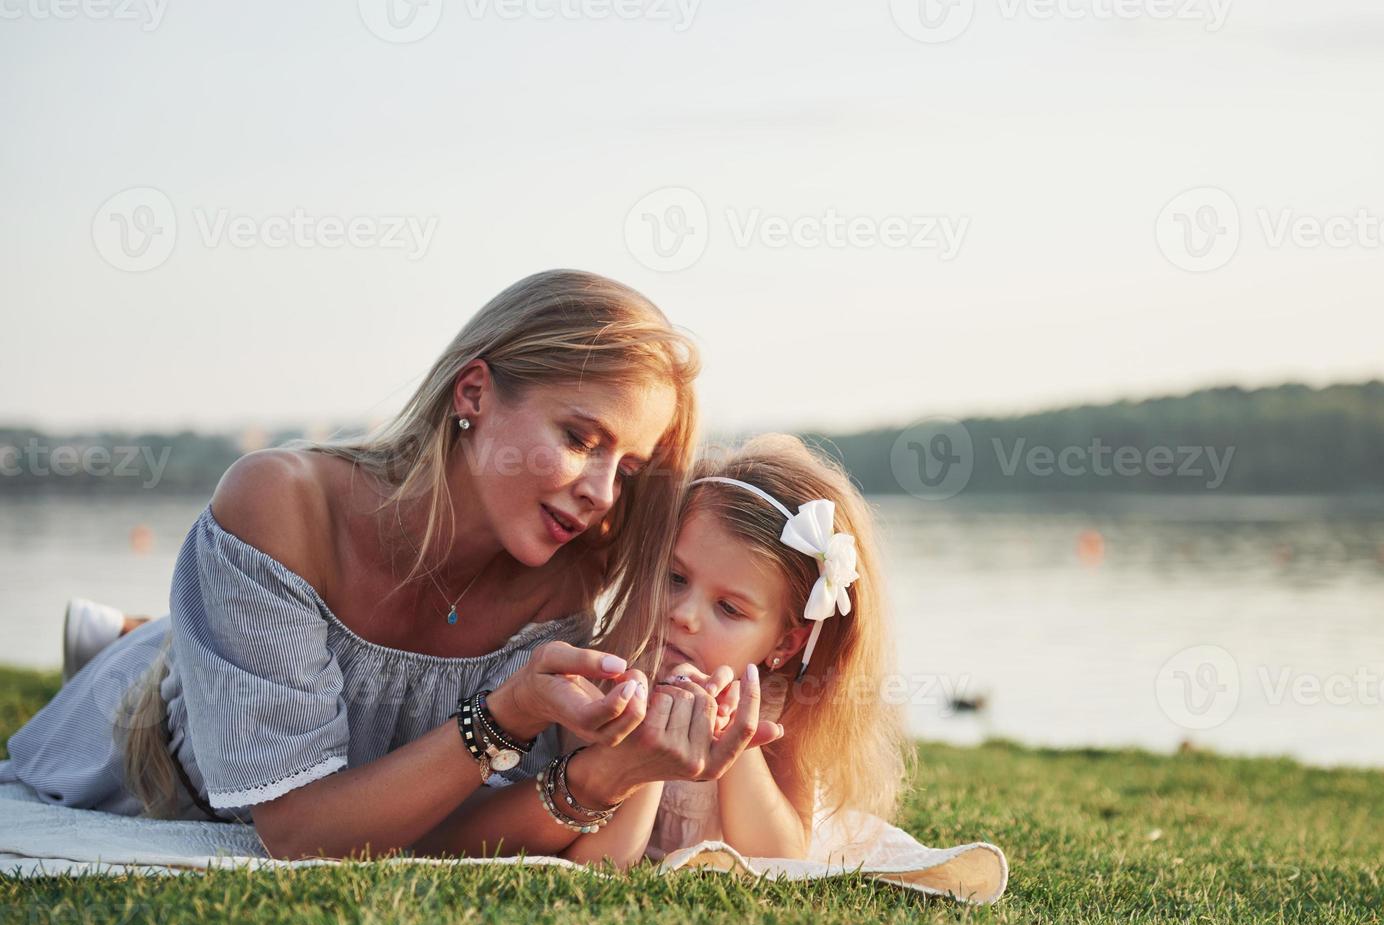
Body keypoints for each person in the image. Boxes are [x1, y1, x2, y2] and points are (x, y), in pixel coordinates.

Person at [0, 269, 776, 861]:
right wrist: (505, 715)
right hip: (160, 750)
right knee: (172, 663)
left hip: (335, 742)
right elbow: (299, 830)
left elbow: (444, 839)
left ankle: (132, 628)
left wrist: (614, 772)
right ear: (473, 392)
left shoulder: (567, 574)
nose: (602, 494)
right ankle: (132, 641)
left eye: (630, 469)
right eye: (580, 438)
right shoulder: (283, 502)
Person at [544, 433, 910, 868]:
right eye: (675, 578)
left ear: (783, 643)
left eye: (729, 608)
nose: (685, 615)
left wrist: (737, 741)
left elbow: (781, 859)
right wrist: (642, 758)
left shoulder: (783, 708)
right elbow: (602, 862)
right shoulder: (601, 681)